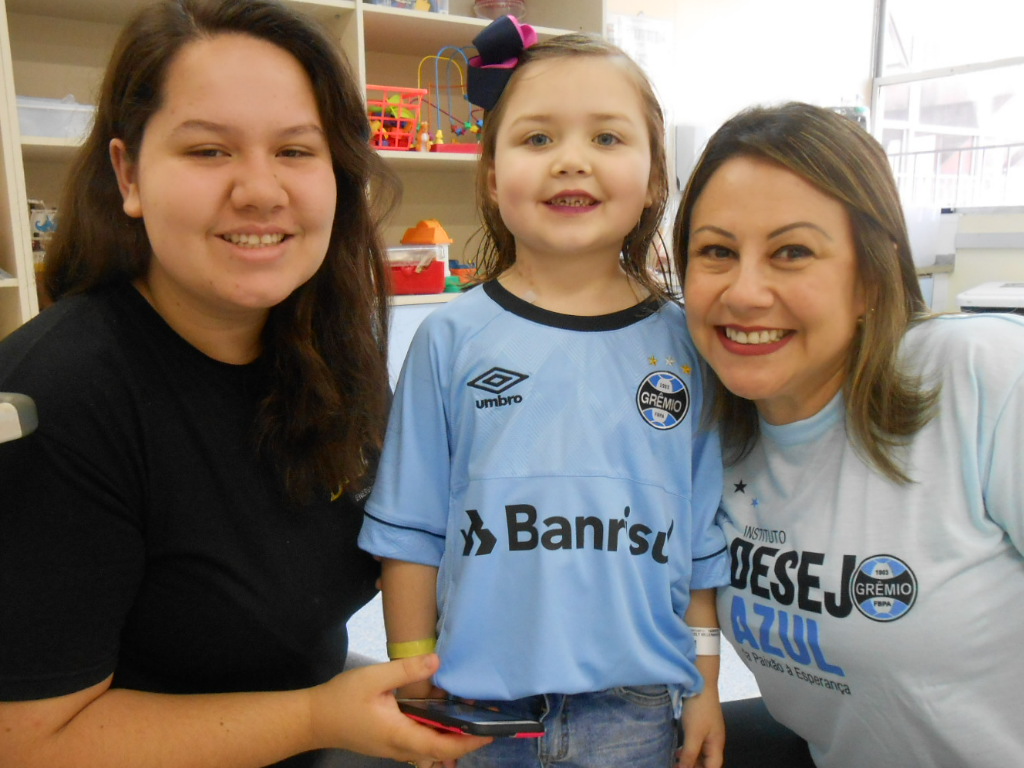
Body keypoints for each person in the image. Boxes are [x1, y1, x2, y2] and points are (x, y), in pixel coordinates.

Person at [0, 1, 492, 767]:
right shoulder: (60, 397)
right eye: (208, 151)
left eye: (296, 151)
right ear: (128, 175)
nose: (260, 191)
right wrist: (314, 719)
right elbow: (29, 743)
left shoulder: (323, 349)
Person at [359, 16, 729, 768]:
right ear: (492, 177)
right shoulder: (450, 339)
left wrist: (707, 688)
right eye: (536, 139)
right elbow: (410, 531)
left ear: (655, 175)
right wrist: (413, 679)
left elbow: (701, 545)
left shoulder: (689, 344)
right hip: (474, 712)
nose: (571, 162)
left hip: (637, 712)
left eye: (606, 138)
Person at [673, 101, 1024, 767]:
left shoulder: (984, 377)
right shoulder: (707, 431)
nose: (745, 293)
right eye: (716, 251)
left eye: (792, 252)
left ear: (870, 275)